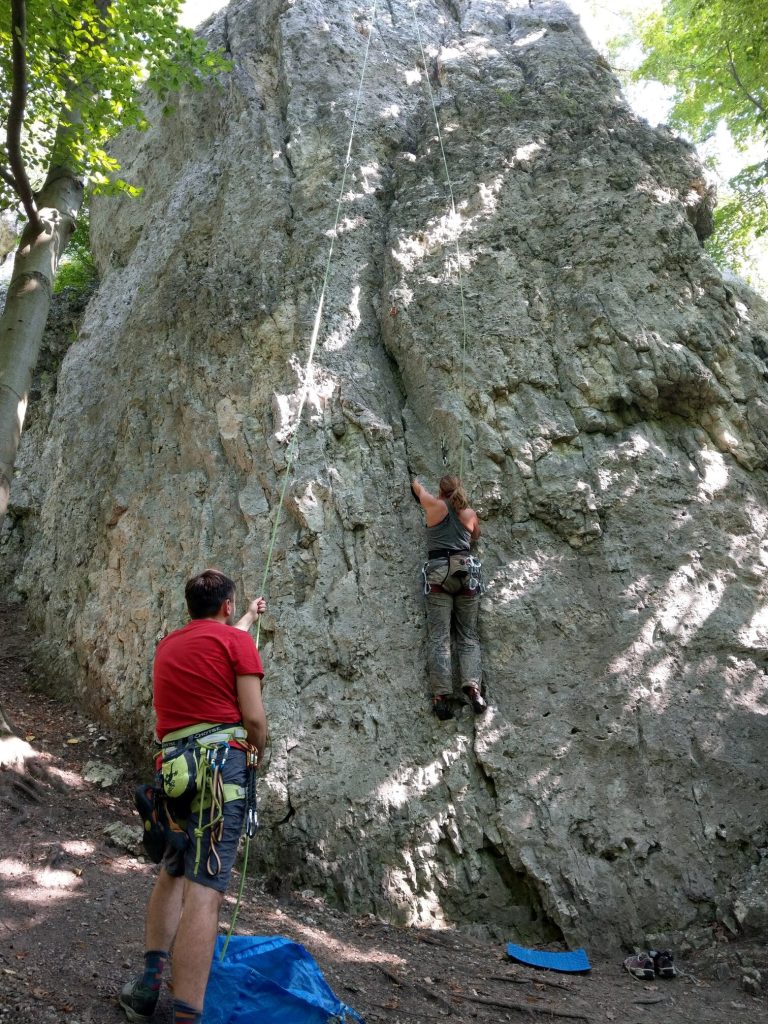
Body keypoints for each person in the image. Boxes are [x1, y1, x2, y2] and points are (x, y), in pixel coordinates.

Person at [120, 569, 268, 1024]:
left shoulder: (169, 645)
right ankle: (187, 1015)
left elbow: (215, 644)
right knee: (206, 889)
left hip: (176, 772)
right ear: (225, 606)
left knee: (174, 870)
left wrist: (246, 616)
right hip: (223, 771)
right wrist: (258, 749)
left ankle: (148, 986)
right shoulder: (237, 644)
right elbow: (255, 719)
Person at [411, 474, 487, 720]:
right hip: (465, 573)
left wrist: (416, 483)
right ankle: (474, 690)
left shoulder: (434, 505)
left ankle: (441, 698)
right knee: (469, 636)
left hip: (439, 573)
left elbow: (418, 491)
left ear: (441, 491)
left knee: (440, 637)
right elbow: (475, 536)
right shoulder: (469, 514)